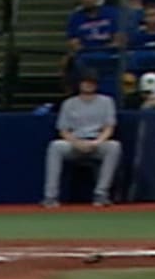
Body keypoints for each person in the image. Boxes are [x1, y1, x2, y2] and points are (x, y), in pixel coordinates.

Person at [43, 71, 120, 207]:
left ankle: (101, 194)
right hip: (75, 143)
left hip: (97, 142)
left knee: (114, 147)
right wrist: (76, 143)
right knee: (55, 146)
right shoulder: (69, 104)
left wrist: (97, 142)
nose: (88, 85)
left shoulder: (107, 101)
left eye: (91, 82)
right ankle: (50, 196)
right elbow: (63, 130)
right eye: (85, 82)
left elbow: (109, 128)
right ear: (79, 84)